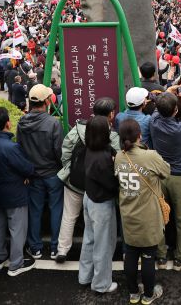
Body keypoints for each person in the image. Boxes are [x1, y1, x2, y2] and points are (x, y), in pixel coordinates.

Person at [57, 98, 120, 263]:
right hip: (98, 188)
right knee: (93, 225)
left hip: (74, 182)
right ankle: (97, 257)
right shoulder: (112, 136)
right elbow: (118, 161)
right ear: (111, 114)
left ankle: (62, 250)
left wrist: (70, 169)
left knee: (69, 216)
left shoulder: (77, 129)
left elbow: (66, 152)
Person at [115, 118, 168, 304]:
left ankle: (133, 293)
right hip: (148, 217)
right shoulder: (150, 155)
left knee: (130, 255)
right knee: (148, 256)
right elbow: (166, 171)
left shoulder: (119, 157)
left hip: (128, 215)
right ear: (140, 135)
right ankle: (148, 295)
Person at [150, 89, 181, 271]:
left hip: (159, 176)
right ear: (176, 111)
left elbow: (157, 107)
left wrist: (167, 92)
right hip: (180, 176)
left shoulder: (153, 122)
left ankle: (161, 256)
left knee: (160, 217)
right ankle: (180, 256)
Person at [0, 108, 36, 277]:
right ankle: (16, 264)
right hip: (15, 193)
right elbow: (27, 168)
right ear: (8, 123)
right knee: (17, 229)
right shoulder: (11, 147)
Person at [17, 84, 64, 260]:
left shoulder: (22, 122)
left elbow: (20, 148)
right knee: (56, 209)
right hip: (52, 173)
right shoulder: (53, 123)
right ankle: (55, 247)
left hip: (32, 174)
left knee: (35, 210)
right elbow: (59, 151)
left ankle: (35, 248)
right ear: (46, 101)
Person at [78, 115, 120, 293]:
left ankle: (85, 276)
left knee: (89, 240)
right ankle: (101, 283)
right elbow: (111, 183)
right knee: (103, 244)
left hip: (88, 198)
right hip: (101, 203)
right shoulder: (104, 157)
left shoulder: (87, 149)